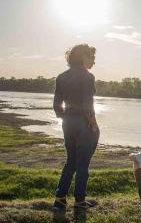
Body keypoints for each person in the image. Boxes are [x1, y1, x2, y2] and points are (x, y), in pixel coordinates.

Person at [52, 44, 99, 210]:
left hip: (68, 123)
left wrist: (66, 118)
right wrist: (93, 124)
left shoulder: (61, 77)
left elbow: (57, 105)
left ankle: (59, 200)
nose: (94, 61)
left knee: (71, 161)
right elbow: (88, 104)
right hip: (83, 124)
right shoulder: (88, 77)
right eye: (92, 57)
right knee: (82, 164)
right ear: (83, 57)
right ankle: (79, 201)